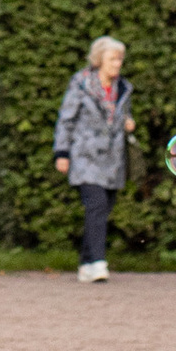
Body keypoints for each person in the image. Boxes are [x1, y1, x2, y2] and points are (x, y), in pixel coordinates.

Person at [53, 34, 133, 283]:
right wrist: (62, 152)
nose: (117, 64)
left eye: (120, 59)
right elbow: (66, 119)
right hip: (85, 156)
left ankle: (86, 263)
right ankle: (98, 262)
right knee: (96, 204)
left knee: (104, 207)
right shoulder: (81, 85)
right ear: (99, 59)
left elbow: (120, 117)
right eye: (112, 58)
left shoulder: (122, 88)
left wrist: (128, 123)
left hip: (112, 159)